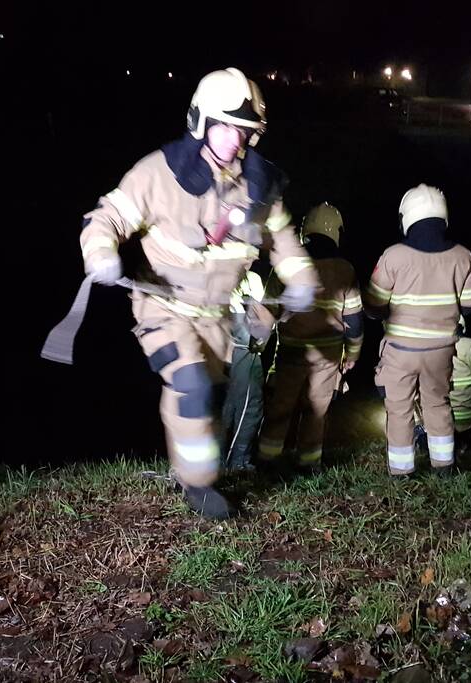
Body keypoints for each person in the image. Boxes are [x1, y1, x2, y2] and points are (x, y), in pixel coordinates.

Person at [78, 68, 318, 519]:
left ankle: (192, 469)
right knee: (188, 383)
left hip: (217, 319)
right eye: (223, 126)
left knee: (206, 397)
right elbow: (107, 217)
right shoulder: (159, 173)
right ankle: (199, 485)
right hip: (162, 308)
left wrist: (302, 278)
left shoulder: (260, 187)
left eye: (243, 129)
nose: (233, 139)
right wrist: (101, 252)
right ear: (200, 121)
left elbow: (283, 241)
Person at [365, 185, 471, 477]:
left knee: (399, 408)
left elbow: (374, 304)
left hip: (400, 351)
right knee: (438, 403)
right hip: (441, 350)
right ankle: (444, 466)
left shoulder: (393, 256)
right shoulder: (464, 257)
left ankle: (402, 472)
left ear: (406, 217)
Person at [258, 203, 363, 471]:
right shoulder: (345, 270)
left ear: (306, 230)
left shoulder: (288, 264)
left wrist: (257, 343)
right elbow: (354, 321)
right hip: (328, 356)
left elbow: (268, 310)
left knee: (280, 407)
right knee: (317, 410)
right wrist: (352, 353)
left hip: (290, 351)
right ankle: (309, 463)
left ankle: (267, 461)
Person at [220, 271, 272, 473]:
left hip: (227, 346)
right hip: (243, 346)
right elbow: (259, 319)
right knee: (249, 406)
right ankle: (238, 462)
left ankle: (218, 463)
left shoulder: (247, 276)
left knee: (228, 405)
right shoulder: (249, 279)